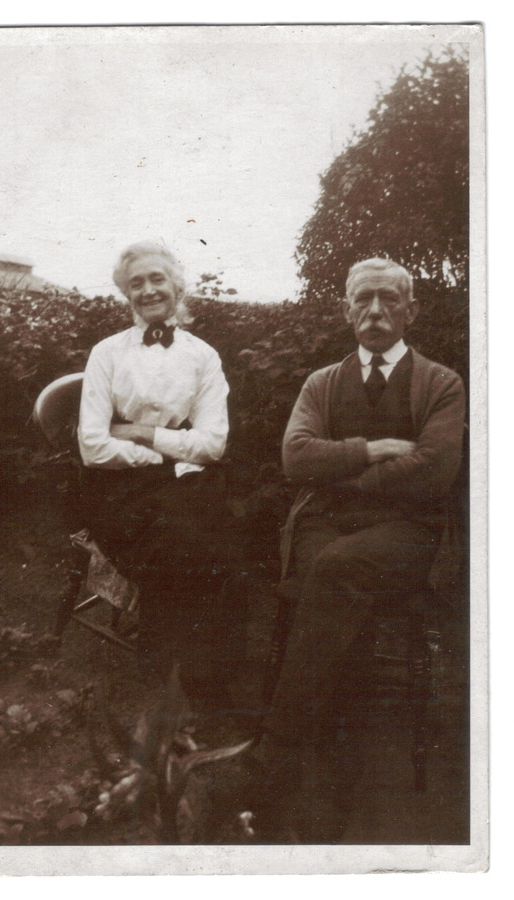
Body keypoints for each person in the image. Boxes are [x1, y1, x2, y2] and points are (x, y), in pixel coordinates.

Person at [254, 257, 465, 838]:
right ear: (346, 311)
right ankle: (334, 761)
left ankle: (278, 750)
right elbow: (296, 457)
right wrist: (371, 451)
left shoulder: (442, 384)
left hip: (408, 533)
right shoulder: (321, 383)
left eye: (388, 299)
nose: (375, 311)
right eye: (363, 300)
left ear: (410, 311)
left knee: (334, 571)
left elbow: (434, 471)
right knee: (327, 578)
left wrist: (340, 476)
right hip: (327, 523)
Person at [77, 241, 240, 692]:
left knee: (221, 547)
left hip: (184, 482)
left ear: (177, 287)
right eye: (136, 283)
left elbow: (213, 444)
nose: (148, 290)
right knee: (180, 545)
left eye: (157, 279)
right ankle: (167, 682)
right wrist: (164, 454)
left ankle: (204, 681)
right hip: (118, 487)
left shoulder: (203, 356)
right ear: (125, 293)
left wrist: (143, 433)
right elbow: (93, 446)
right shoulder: (106, 353)